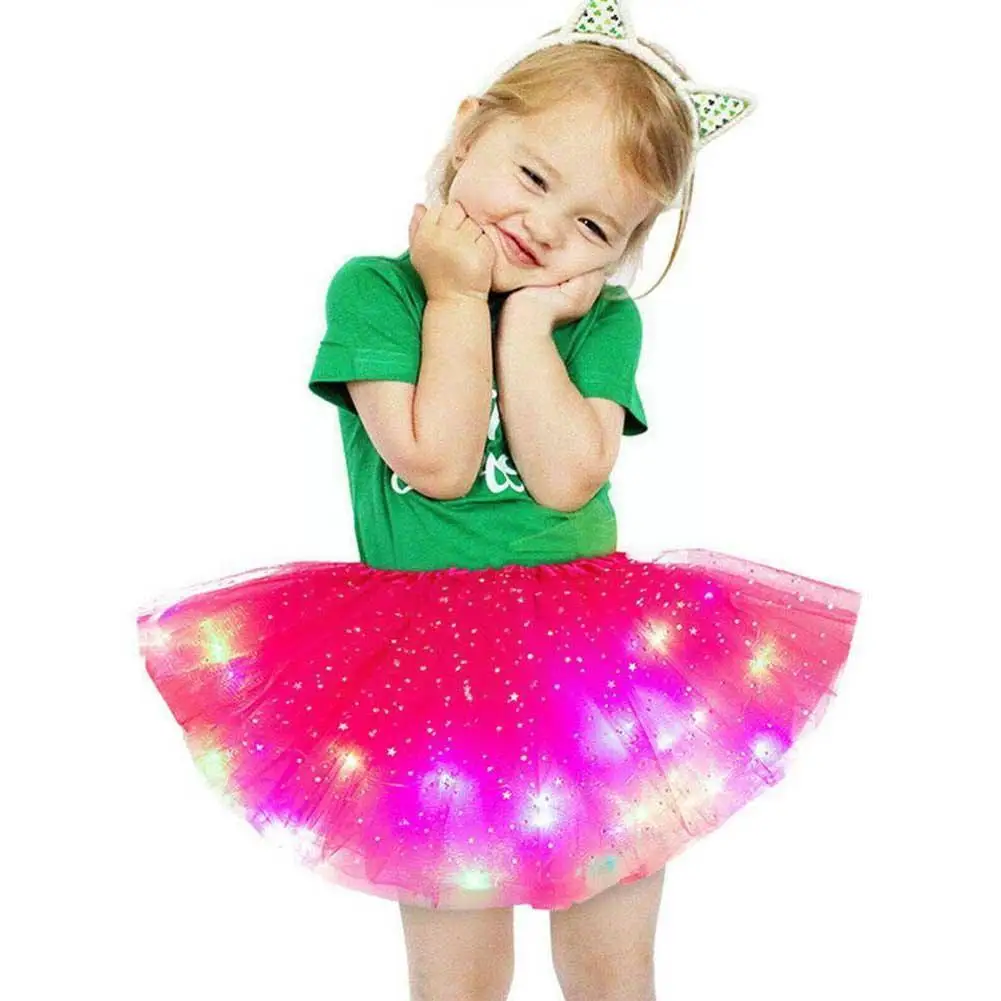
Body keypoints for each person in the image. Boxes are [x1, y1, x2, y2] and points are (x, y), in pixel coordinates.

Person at [136, 3, 862, 999]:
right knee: (458, 974)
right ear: (470, 129)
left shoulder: (597, 322)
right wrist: (453, 295)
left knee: (612, 963)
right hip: (421, 675)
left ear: (623, 245)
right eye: (532, 176)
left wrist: (525, 324)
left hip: (595, 674)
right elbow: (435, 459)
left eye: (593, 226)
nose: (545, 227)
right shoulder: (379, 292)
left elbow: (567, 477)